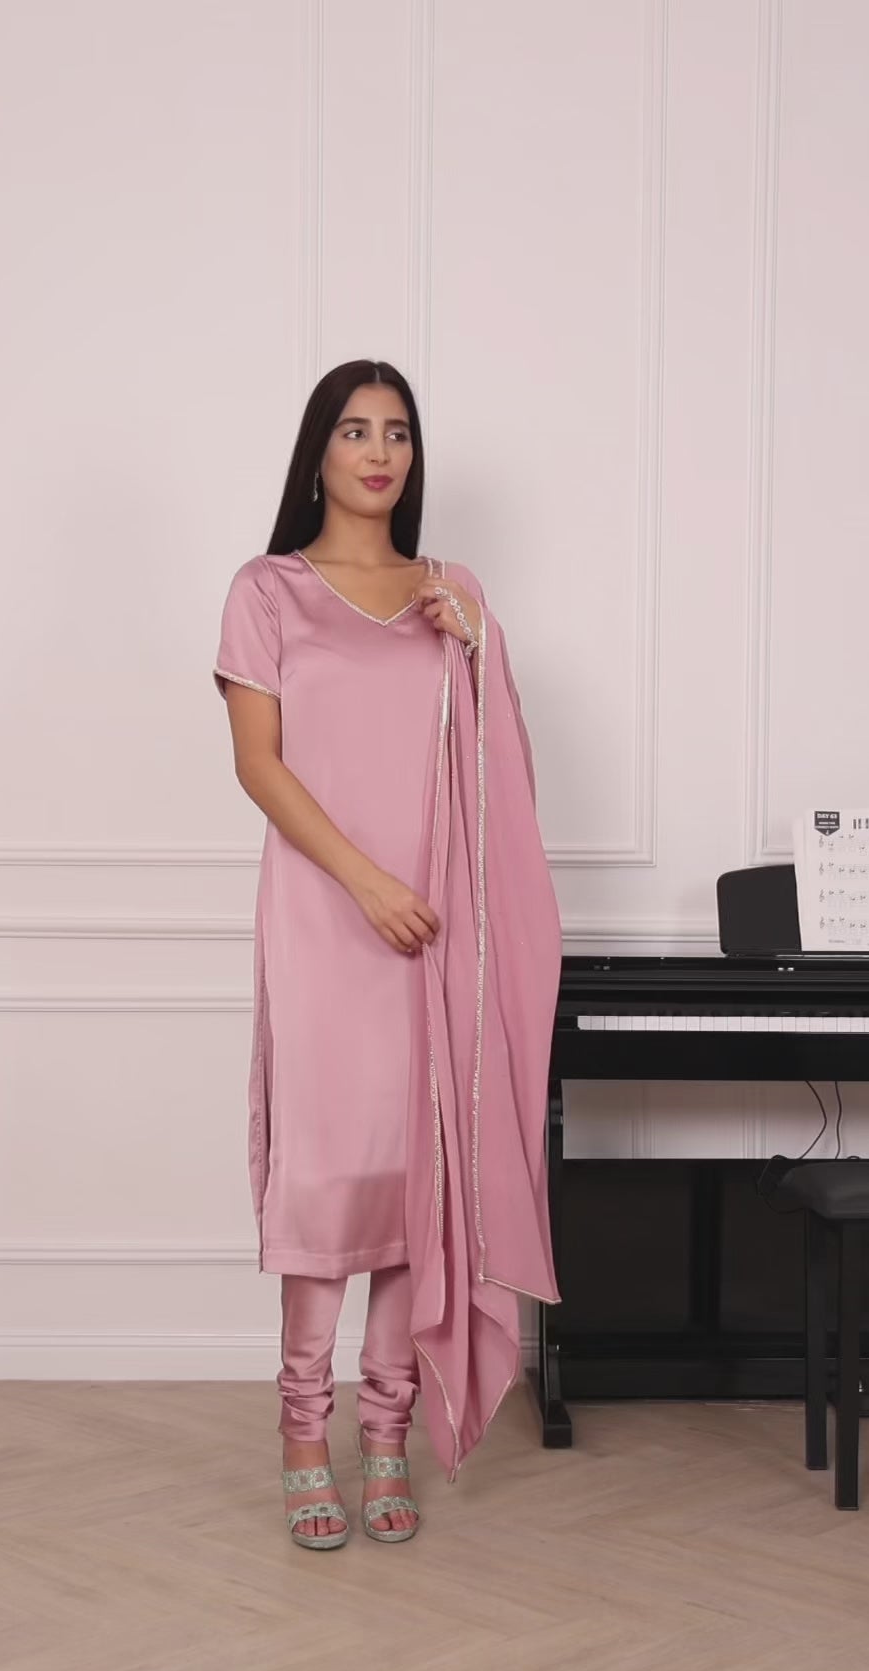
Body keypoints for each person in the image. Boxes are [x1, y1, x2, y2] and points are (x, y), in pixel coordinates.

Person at [215, 359, 561, 1551]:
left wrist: (478, 651)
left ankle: (387, 1433)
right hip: (329, 920)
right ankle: (303, 1434)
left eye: (398, 433)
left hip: (439, 927)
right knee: (329, 1175)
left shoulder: (451, 592)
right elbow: (258, 763)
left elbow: (500, 764)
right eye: (356, 430)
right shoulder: (267, 590)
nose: (379, 453)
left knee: (427, 1175)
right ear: (318, 451)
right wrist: (366, 883)